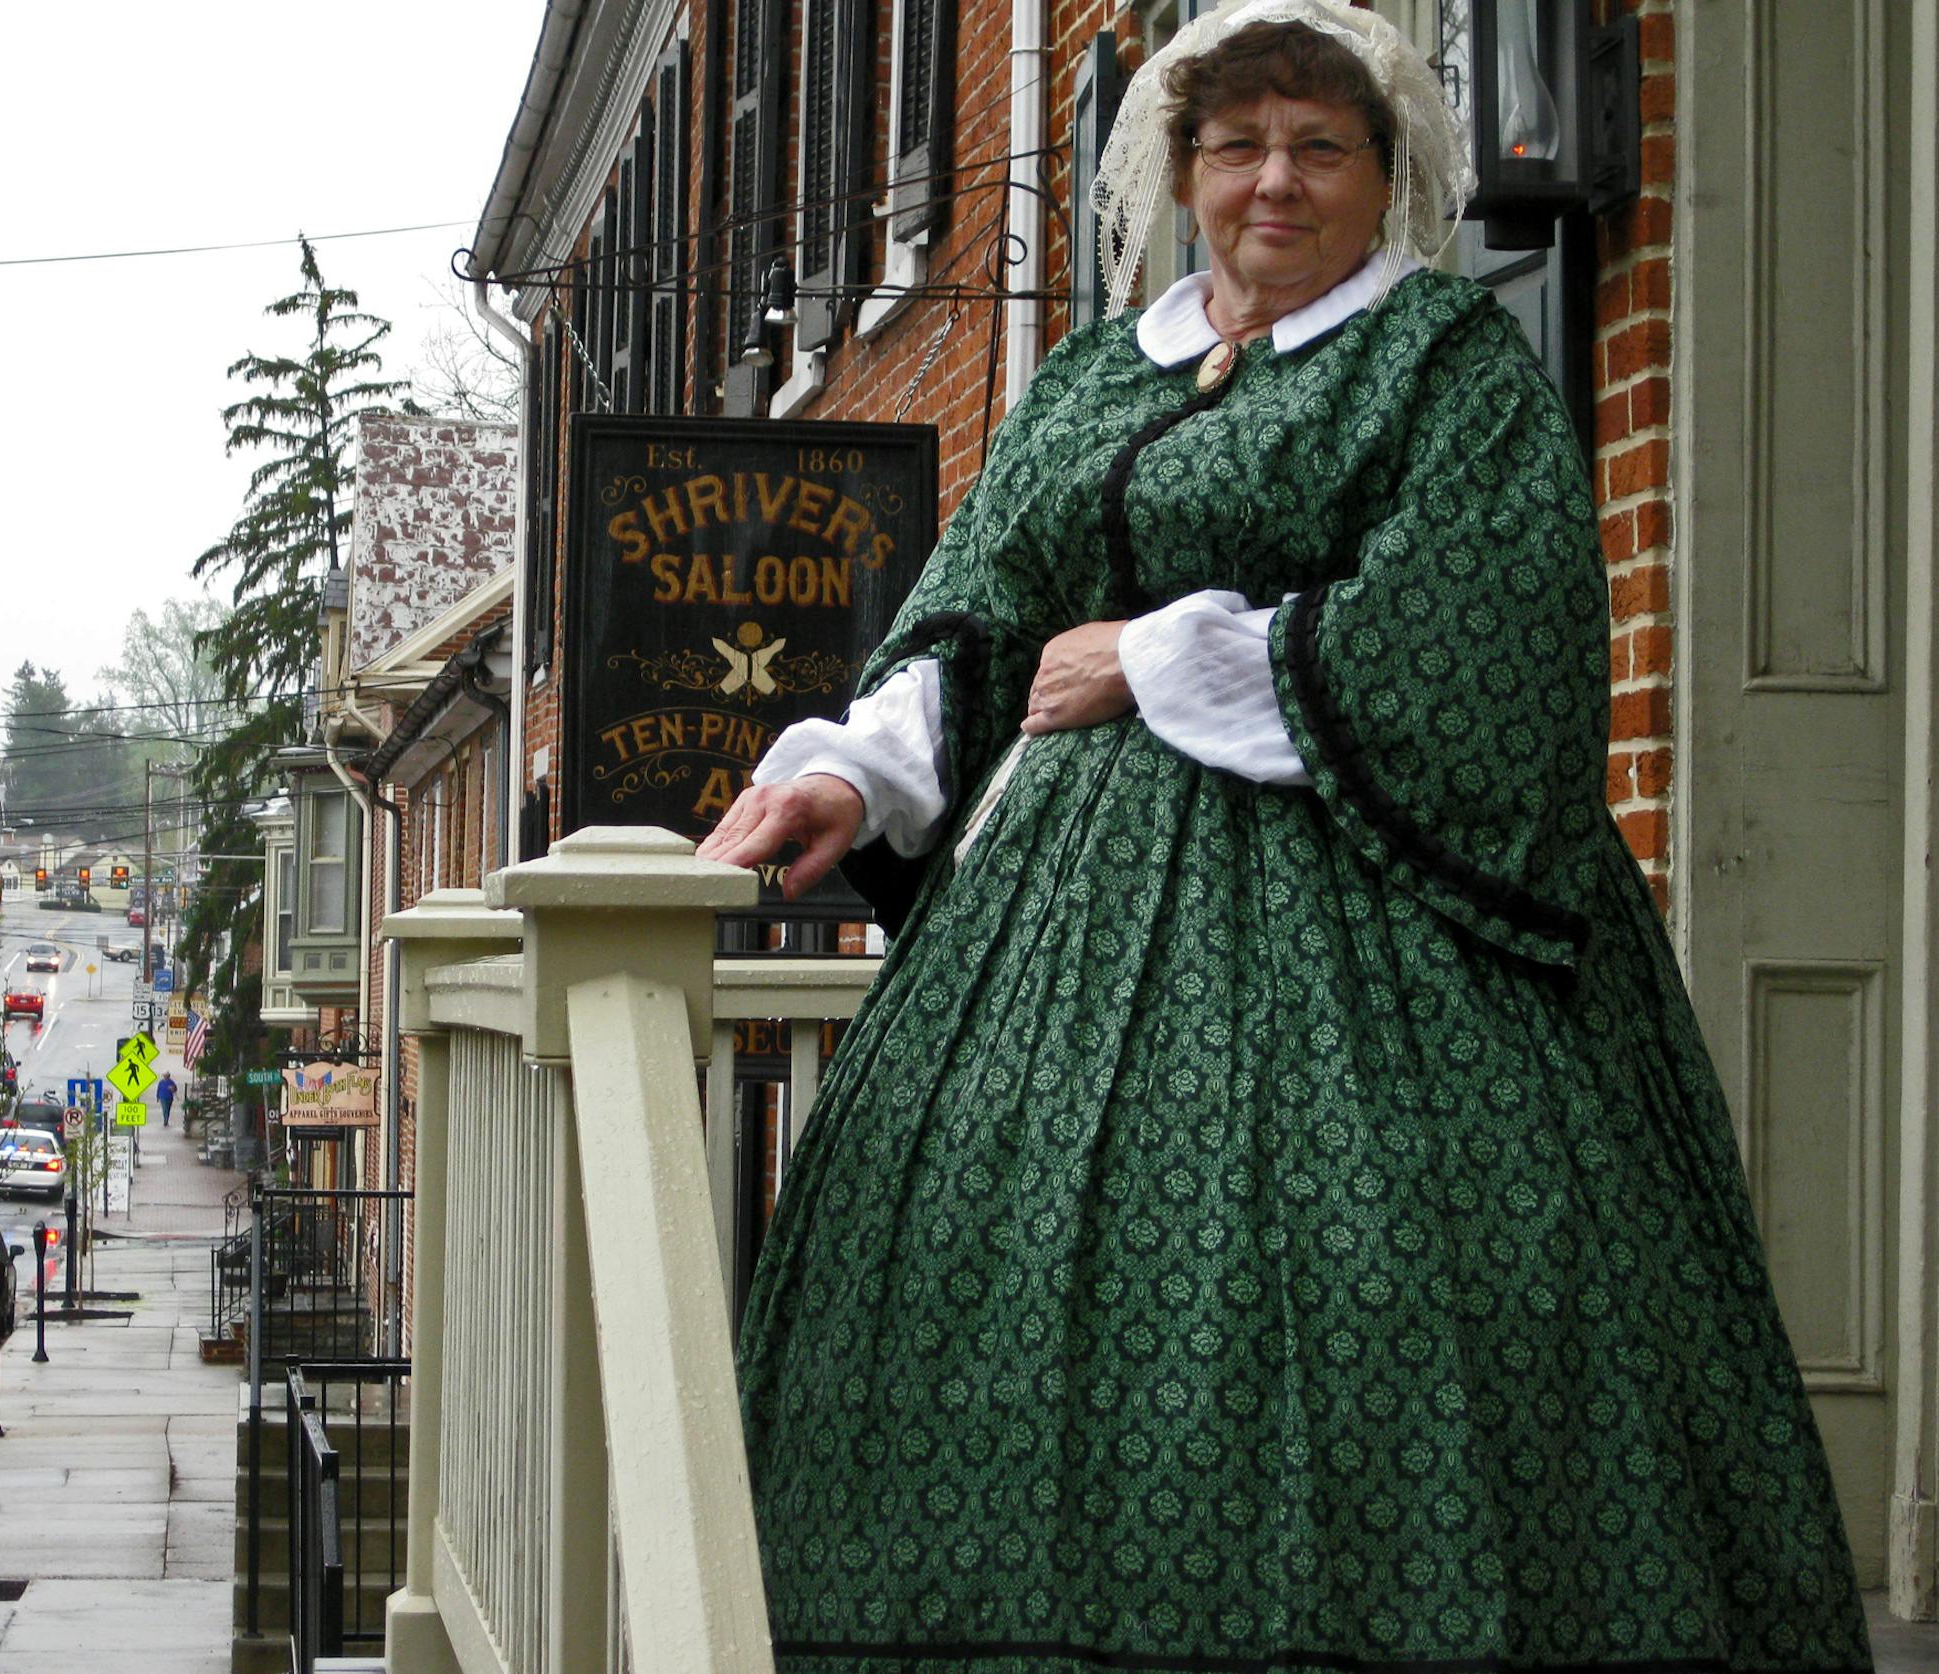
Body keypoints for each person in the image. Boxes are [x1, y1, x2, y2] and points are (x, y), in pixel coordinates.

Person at [698, 3, 1874, 1670]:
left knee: (1390, 1289)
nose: (1275, 181)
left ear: (1383, 176)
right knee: (1010, 1287)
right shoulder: (1097, 379)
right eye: (1239, 144)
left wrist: (1156, 651)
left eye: (1320, 146)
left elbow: (1489, 632)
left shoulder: (1443, 366)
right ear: (1179, 172)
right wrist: (855, 773)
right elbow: (978, 615)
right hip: (1058, 932)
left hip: (1399, 936)